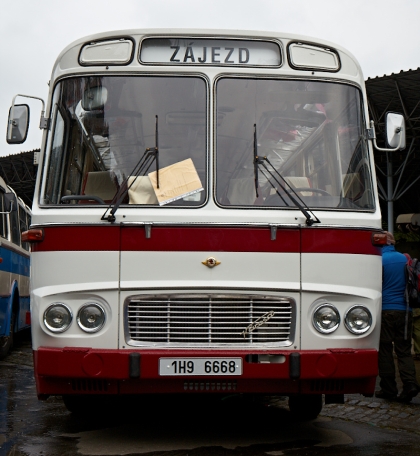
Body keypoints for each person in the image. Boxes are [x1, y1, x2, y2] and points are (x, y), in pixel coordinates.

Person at [376, 231, 420, 402]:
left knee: (385, 349)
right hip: (406, 310)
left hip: (386, 310)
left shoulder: (379, 261)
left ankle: (389, 388)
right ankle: (410, 384)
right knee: (404, 350)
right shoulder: (405, 259)